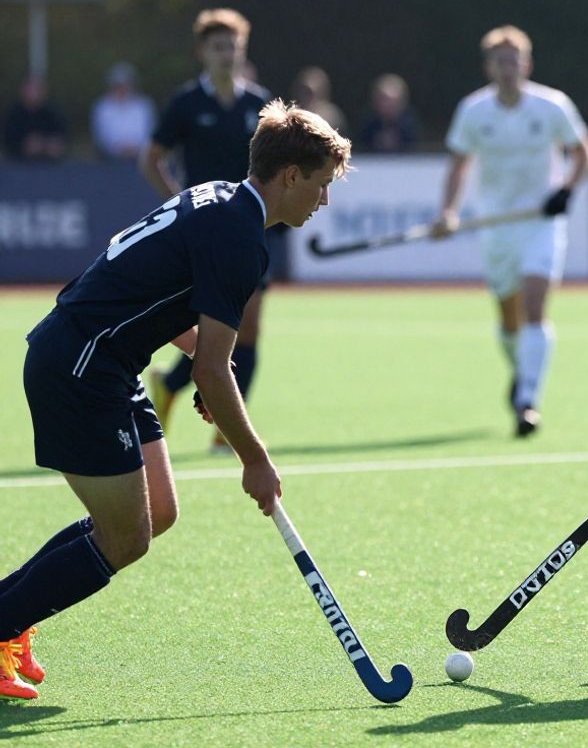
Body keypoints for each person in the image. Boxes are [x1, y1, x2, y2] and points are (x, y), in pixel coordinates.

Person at [0, 100, 351, 702]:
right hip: (80, 368)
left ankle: (9, 616)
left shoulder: (218, 196)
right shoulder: (242, 239)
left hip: (106, 360)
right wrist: (255, 459)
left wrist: (210, 369)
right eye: (320, 186)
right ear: (290, 175)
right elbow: (214, 370)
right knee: (126, 538)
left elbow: (167, 310)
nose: (323, 202)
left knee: (157, 511)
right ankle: (4, 621)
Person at [432, 25, 588, 437]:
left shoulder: (551, 105)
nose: (508, 68)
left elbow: (586, 154)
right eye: (500, 61)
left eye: (515, 60)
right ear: (489, 66)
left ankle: (528, 401)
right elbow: (458, 164)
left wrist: (565, 190)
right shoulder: (473, 111)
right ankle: (522, 370)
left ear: (526, 64)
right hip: (496, 227)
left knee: (535, 307)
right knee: (509, 321)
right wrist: (449, 211)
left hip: (540, 224)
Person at [139, 8, 277, 453]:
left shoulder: (259, 104)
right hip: (202, 237)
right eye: (218, 46)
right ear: (203, 52)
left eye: (232, 45)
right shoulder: (186, 104)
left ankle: (225, 429)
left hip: (249, 231)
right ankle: (173, 387)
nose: (226, 54)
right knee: (208, 333)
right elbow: (152, 159)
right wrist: (179, 204)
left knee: (249, 329)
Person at [90, 62, 156, 160]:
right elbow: (101, 137)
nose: (122, 89)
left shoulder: (144, 106)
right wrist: (119, 149)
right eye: (118, 86)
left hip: (141, 158)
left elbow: (151, 132)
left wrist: (137, 148)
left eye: (125, 85)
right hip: (110, 161)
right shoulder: (102, 108)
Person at [3, 74, 67, 161]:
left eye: (37, 90)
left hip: (50, 166)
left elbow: (61, 136)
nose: (34, 94)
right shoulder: (13, 114)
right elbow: (8, 140)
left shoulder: (53, 113)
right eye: (30, 90)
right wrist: (23, 146)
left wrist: (49, 145)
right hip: (17, 165)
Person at [357, 73, 420, 153]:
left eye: (392, 101)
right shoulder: (367, 124)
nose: (388, 105)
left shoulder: (410, 125)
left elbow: (415, 149)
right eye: (384, 100)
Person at [291, 66, 347, 134]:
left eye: (308, 92)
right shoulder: (291, 116)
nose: (304, 96)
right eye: (302, 91)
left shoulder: (331, 119)